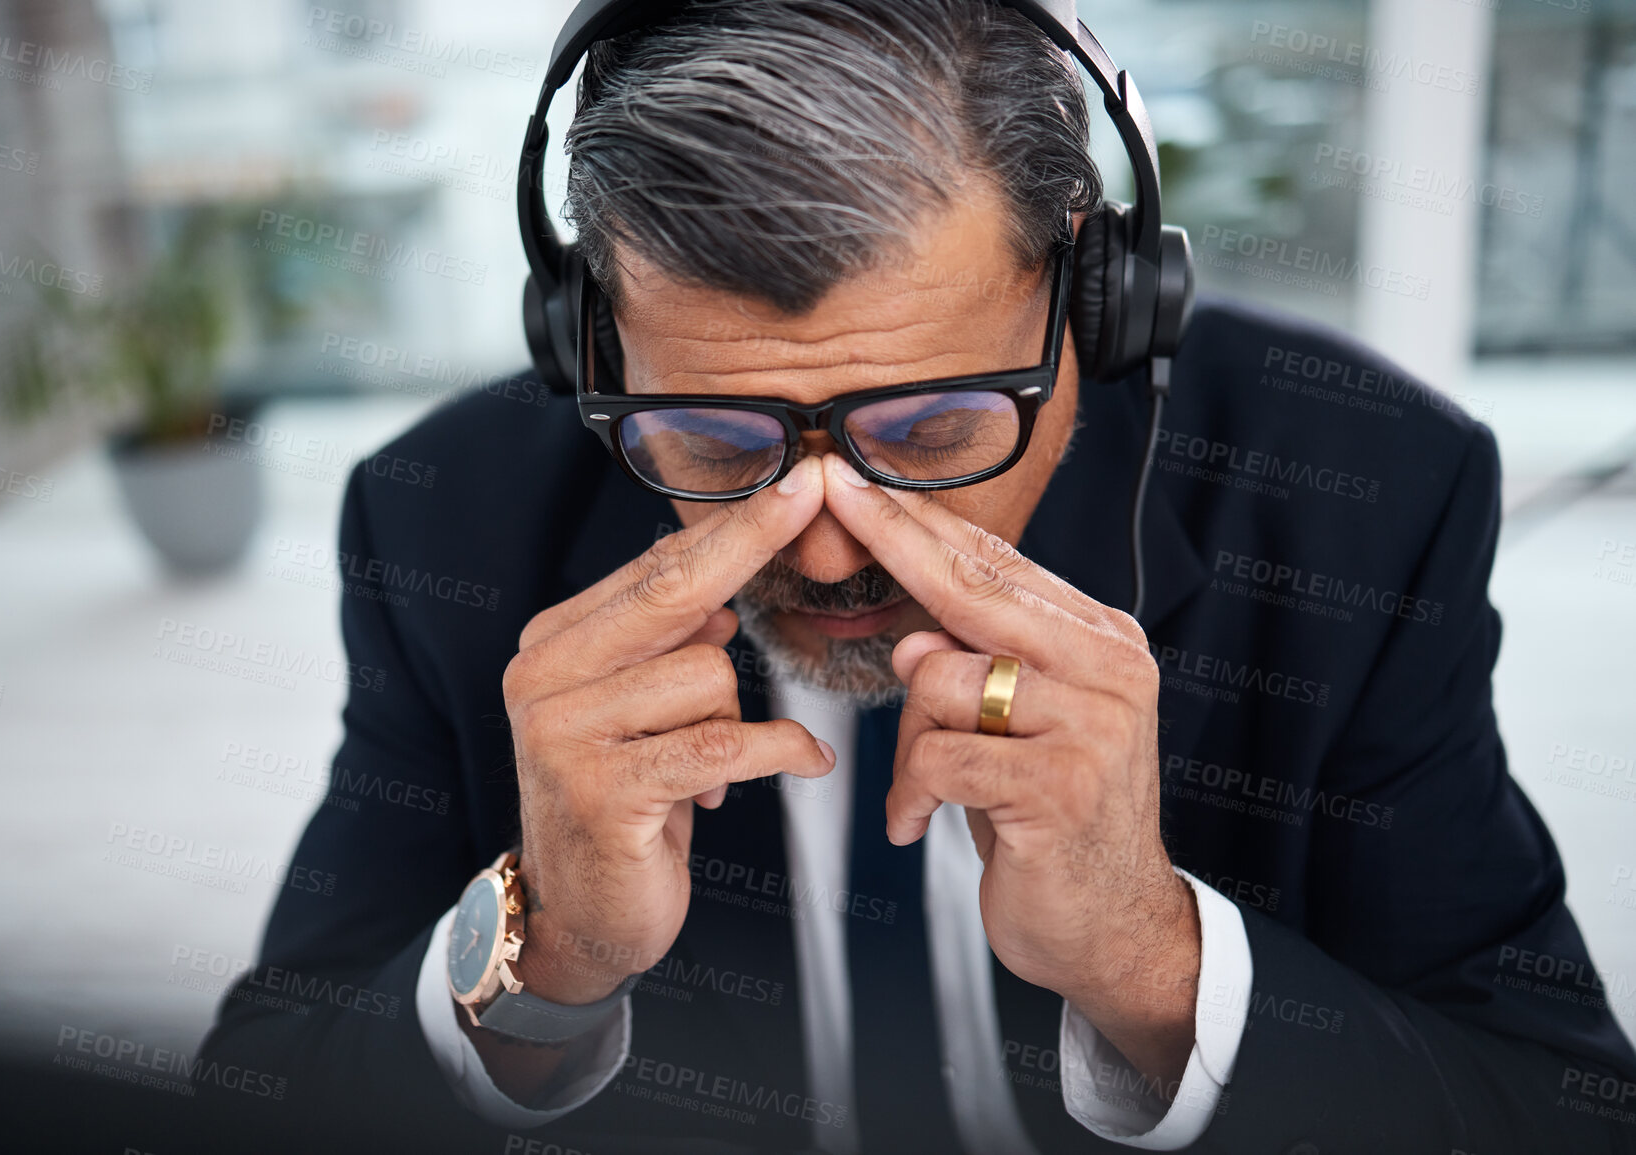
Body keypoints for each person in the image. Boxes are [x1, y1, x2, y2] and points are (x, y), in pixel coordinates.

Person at [200, 2, 1636, 1152]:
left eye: (934, 430)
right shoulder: (440, 522)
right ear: (584, 340)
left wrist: (1155, 963)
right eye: (708, 436)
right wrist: (541, 954)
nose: (827, 548)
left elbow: (1558, 1111)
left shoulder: (1372, 495)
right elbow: (254, 1100)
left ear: (1101, 301)